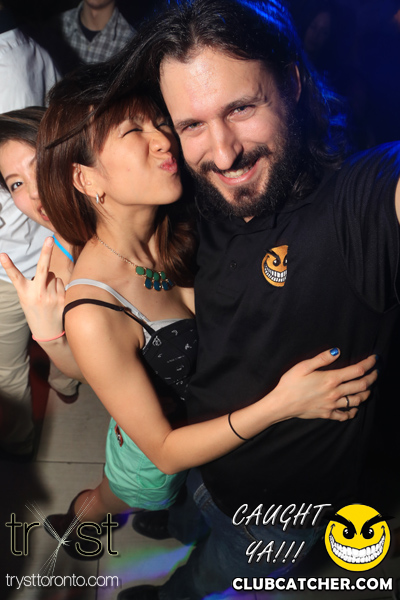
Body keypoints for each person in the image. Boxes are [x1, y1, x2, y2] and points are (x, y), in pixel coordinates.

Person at [1, 62, 376, 567]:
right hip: (155, 456)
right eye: (134, 132)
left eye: (161, 124)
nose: (164, 141)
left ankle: (174, 523)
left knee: (187, 509)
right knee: (126, 496)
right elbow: (163, 451)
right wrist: (284, 403)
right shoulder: (93, 306)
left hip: (215, 437)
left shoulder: (179, 220)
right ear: (86, 178)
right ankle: (78, 525)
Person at [97, 1, 400, 598]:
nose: (224, 153)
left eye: (240, 108)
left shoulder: (355, 207)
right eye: (192, 125)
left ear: (292, 83)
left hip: (276, 512)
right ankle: (176, 525)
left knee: (208, 581)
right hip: (202, 461)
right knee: (186, 519)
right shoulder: (192, 195)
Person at [0, 17, 59, 458]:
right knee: (67, 333)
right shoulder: (36, 50)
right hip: (49, 237)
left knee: (7, 366)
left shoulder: (8, 69)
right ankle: (68, 381)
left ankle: (18, 440)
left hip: (16, 256)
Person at [0, 107, 80, 397]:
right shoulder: (61, 262)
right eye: (16, 183)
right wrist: (52, 338)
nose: (34, 192)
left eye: (38, 166)